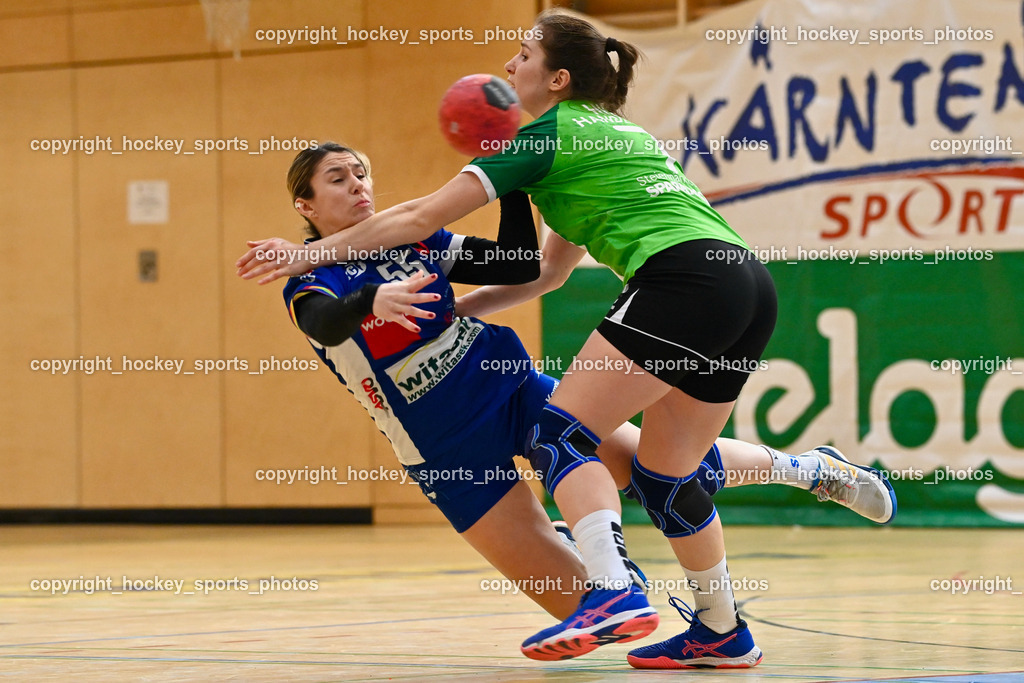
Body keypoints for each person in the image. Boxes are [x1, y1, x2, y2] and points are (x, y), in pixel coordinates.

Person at [238, 13, 897, 664]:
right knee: (661, 480)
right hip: (728, 290)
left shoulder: (524, 155)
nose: (507, 65)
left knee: (564, 436)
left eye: (521, 55)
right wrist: (416, 298)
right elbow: (541, 274)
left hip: (629, 312)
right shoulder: (605, 133)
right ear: (305, 204)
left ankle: (615, 585)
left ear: (556, 78)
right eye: (338, 177)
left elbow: (447, 230)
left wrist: (499, 174)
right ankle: (772, 536)